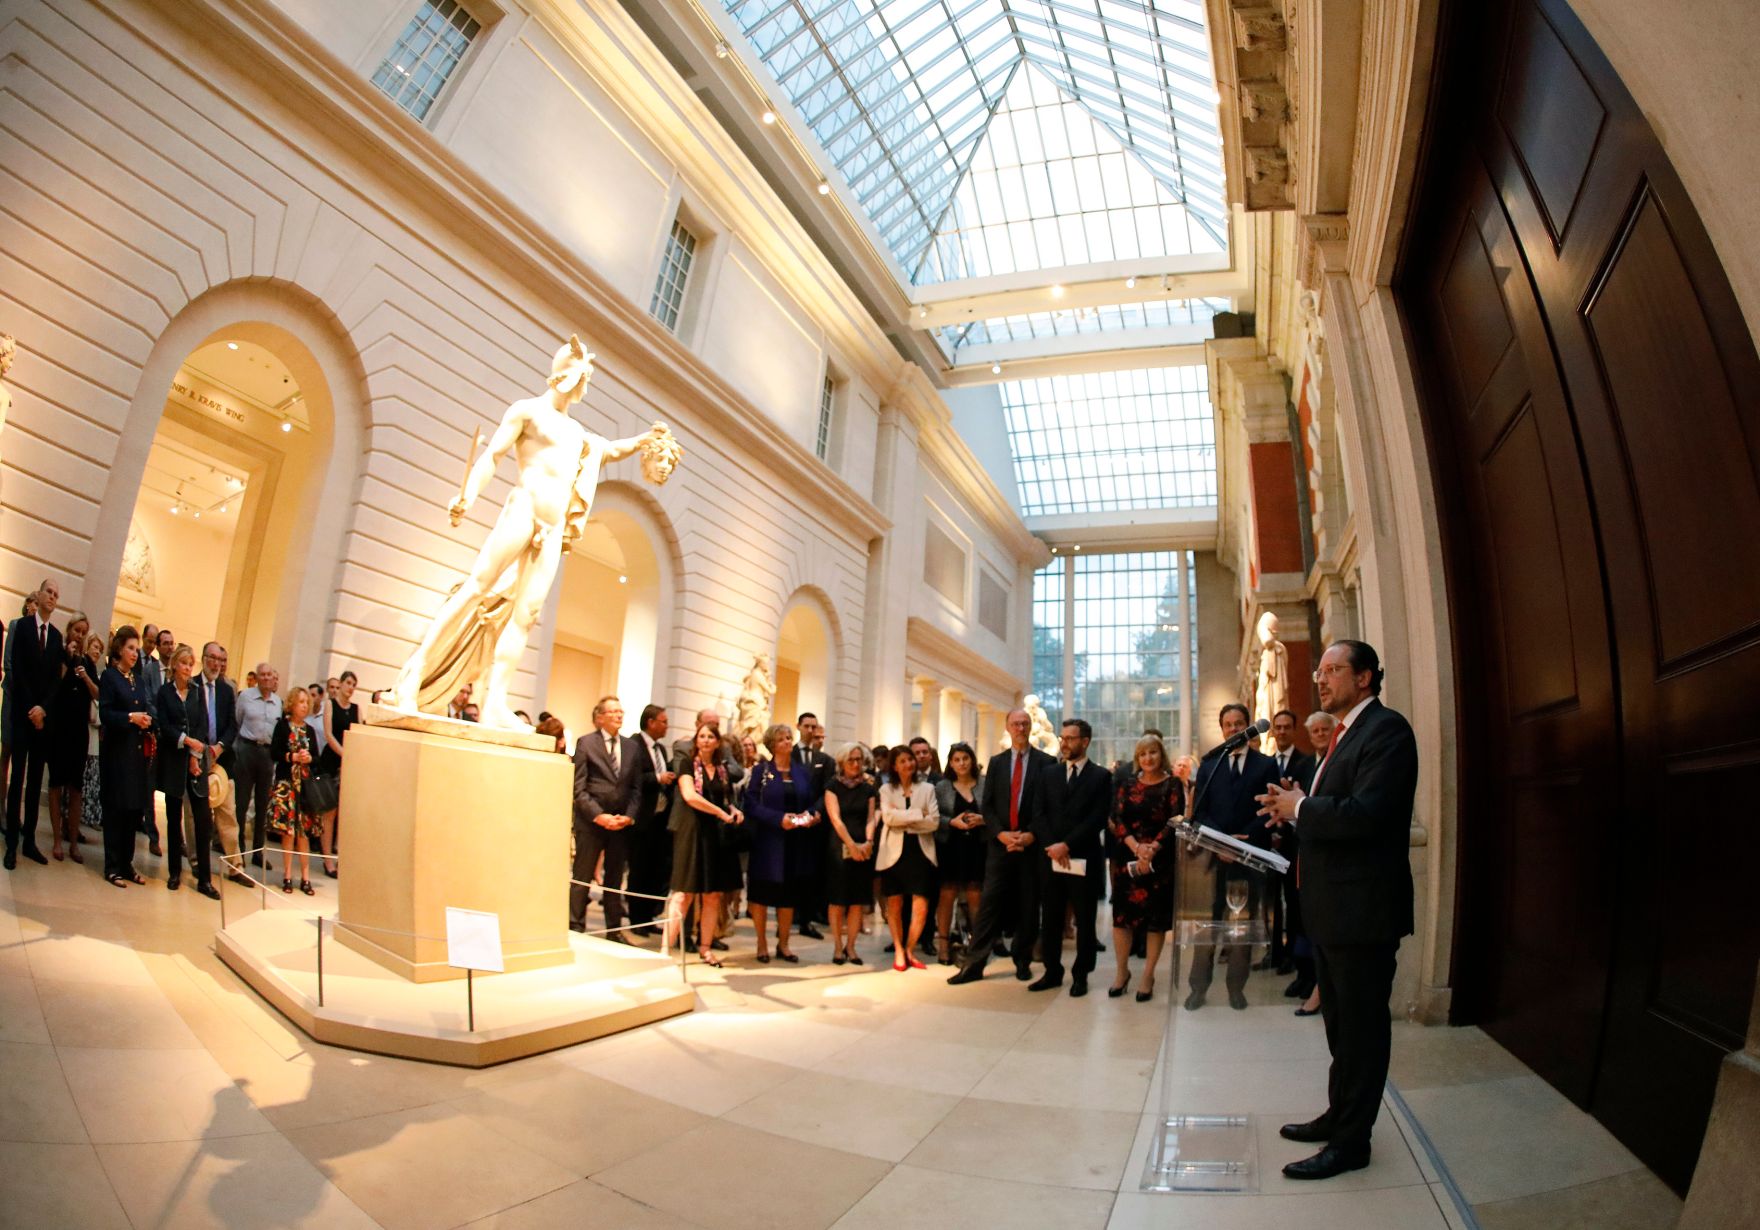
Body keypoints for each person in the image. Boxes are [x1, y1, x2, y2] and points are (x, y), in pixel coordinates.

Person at [1258, 640, 1418, 1181]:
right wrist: (1295, 804)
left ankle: (1352, 1142)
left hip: (1363, 910)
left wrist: (1302, 806)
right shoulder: (1345, 733)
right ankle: (1338, 1115)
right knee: (1340, 1027)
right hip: (1332, 909)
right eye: (1319, 672)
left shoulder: (1387, 731)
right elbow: (1334, 808)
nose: (1321, 680)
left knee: (1362, 1031)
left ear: (1365, 677)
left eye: (1333, 670)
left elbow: (1367, 814)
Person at [947, 709, 1056, 984]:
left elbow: (1048, 806)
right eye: (1015, 724)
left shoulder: (1047, 762)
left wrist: (1030, 835)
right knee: (989, 905)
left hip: (1030, 846)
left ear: (1030, 727)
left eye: (1024, 723)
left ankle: (1022, 960)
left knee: (1028, 907)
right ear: (1008, 728)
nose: (1020, 728)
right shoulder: (997, 763)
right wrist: (1001, 834)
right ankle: (974, 965)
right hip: (1000, 846)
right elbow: (988, 806)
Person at [1185, 703, 1280, 1011]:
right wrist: (1222, 843)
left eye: (1239, 723)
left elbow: (1269, 807)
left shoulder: (1265, 764)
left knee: (1242, 926)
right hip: (1213, 858)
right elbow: (1201, 811)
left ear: (1248, 726)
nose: (1234, 728)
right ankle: (1198, 988)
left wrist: (1241, 844)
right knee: (1208, 925)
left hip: (1250, 855)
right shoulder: (1210, 765)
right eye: (1228, 724)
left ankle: (1236, 988)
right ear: (1222, 728)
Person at [1030, 719, 1113, 997]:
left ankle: (1081, 975)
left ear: (1085, 742)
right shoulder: (1048, 774)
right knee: (1051, 918)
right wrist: (1053, 845)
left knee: (1085, 920)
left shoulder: (1100, 776)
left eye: (1070, 739)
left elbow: (1097, 818)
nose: (1064, 743)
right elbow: (1038, 813)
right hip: (1050, 857)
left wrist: (1066, 844)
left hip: (1083, 857)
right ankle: (1052, 971)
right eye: (1062, 738)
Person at [1107, 734, 1185, 1001]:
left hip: (1159, 861)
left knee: (1155, 922)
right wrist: (1136, 847)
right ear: (1137, 758)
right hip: (1128, 859)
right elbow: (1117, 818)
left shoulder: (1173, 784)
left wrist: (1152, 848)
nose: (1148, 758)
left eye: (1153, 752)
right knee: (1121, 920)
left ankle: (1148, 975)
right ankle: (1122, 972)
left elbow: (1176, 819)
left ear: (1161, 754)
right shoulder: (1127, 783)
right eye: (1142, 754)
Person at [665, 723, 743, 966]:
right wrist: (720, 812)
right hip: (691, 830)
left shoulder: (721, 769)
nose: (706, 740)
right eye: (702, 736)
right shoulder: (687, 763)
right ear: (696, 740)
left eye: (711, 736)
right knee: (683, 894)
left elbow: (725, 799)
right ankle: (665, 951)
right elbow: (690, 796)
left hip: (714, 835)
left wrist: (733, 811)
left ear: (718, 742)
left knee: (712, 895)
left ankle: (705, 948)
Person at [744, 723, 820, 963]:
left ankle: (784, 944)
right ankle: (761, 943)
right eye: (782, 739)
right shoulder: (761, 771)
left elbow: (813, 802)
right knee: (762, 895)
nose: (788, 742)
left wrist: (809, 816)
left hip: (795, 842)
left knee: (788, 895)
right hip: (768, 842)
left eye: (789, 737)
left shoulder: (802, 772)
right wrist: (778, 819)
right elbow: (751, 805)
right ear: (772, 745)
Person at [570, 696, 642, 938]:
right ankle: (575, 926)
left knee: (614, 879)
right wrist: (599, 816)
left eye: (620, 711)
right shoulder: (586, 743)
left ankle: (615, 930)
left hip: (620, 824)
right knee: (582, 876)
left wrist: (628, 817)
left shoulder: (631, 747)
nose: (618, 715)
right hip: (591, 823)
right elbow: (579, 789)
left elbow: (636, 789)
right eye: (612, 712)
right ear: (600, 717)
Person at [155, 644, 220, 898]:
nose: (187, 668)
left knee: (203, 821)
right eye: (184, 663)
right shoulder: (165, 692)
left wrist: (195, 755)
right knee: (174, 819)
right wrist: (185, 740)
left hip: (195, 763)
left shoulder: (196, 692)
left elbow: (202, 725)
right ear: (174, 665)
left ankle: (205, 879)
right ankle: (174, 872)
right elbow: (164, 725)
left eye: (191, 664)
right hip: (173, 761)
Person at [5, 578, 61, 868]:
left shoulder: (56, 637)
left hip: (42, 723)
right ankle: (11, 843)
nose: (52, 597)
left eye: (56, 595)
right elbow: (17, 671)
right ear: (38, 595)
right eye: (48, 592)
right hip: (23, 716)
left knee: (36, 780)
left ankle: (29, 841)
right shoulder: (23, 627)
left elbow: (55, 682)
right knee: (17, 779)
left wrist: (44, 709)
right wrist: (31, 708)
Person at [1261, 709, 1318, 972]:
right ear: (1273, 731)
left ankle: (1294, 955)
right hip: (1269, 844)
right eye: (1278, 727)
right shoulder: (1265, 764)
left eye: (1287, 727)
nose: (1282, 731)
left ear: (1294, 730)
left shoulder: (1306, 763)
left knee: (1294, 901)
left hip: (1294, 844)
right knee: (1270, 901)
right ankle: (1273, 952)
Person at [97, 625, 153, 887]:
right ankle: (112, 866)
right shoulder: (109, 677)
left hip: (136, 754)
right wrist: (131, 718)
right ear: (119, 649)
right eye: (130, 648)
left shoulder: (138, 680)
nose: (134, 653)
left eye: (136, 649)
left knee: (133, 810)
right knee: (115, 809)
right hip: (116, 752)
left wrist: (147, 721)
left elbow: (144, 707)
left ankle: (126, 863)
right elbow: (106, 714)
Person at [876, 745, 940, 971]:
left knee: (921, 906)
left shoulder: (927, 789)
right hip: (894, 852)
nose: (909, 764)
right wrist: (918, 814)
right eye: (902, 761)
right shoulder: (886, 789)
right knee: (894, 904)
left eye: (910, 759)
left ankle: (910, 948)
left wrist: (902, 818)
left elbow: (934, 822)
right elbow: (888, 819)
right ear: (894, 766)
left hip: (920, 852)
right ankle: (898, 949)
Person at [46, 612, 97, 863]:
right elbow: (54, 685)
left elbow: (97, 694)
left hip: (79, 732)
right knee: (56, 784)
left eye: (83, 632)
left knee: (76, 788)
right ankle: (57, 839)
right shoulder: (59, 655)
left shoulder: (88, 663)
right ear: (69, 631)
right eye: (76, 630)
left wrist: (85, 675)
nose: (79, 635)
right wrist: (67, 658)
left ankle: (73, 842)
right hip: (59, 729)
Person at [823, 742, 877, 965]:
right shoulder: (833, 786)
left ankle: (851, 947)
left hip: (863, 847)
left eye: (859, 760)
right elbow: (836, 819)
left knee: (857, 901)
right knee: (838, 900)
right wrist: (851, 845)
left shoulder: (868, 787)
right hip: (839, 847)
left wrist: (868, 842)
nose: (856, 764)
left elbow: (871, 817)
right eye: (851, 760)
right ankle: (838, 946)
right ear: (842, 762)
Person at [933, 742, 986, 965]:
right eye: (957, 759)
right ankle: (944, 945)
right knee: (947, 894)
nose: (962, 763)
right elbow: (934, 817)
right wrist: (951, 822)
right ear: (951, 763)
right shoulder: (942, 787)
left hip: (977, 846)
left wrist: (982, 819)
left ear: (972, 760)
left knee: (975, 894)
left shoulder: (984, 784)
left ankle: (977, 945)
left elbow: (995, 812)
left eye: (965, 758)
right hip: (950, 846)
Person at [628, 703, 676, 936]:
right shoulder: (634, 745)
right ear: (651, 722)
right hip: (641, 819)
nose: (667, 726)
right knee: (639, 870)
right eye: (664, 721)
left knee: (654, 871)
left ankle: (648, 918)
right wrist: (658, 778)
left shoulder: (661, 750)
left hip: (659, 821)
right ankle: (636, 919)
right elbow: (633, 778)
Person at [268, 689, 319, 895]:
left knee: (303, 833)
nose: (304, 705)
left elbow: (317, 756)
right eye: (301, 702)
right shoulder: (282, 726)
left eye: (307, 702)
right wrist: (292, 757)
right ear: (292, 704)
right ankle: (287, 875)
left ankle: (306, 877)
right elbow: (274, 752)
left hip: (304, 787)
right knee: (288, 832)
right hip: (287, 785)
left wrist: (309, 758)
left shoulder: (310, 730)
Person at [792, 713, 834, 940]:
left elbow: (827, 789)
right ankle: (791, 913)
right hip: (791, 822)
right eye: (806, 726)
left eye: (813, 726)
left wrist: (813, 812)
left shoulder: (825, 760)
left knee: (813, 871)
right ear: (798, 726)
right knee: (792, 870)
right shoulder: (788, 754)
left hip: (816, 823)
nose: (810, 730)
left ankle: (808, 916)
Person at [235, 664, 280, 866]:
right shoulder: (246, 696)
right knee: (242, 802)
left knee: (263, 805)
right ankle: (238, 850)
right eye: (262, 674)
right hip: (247, 749)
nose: (266, 678)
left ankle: (258, 852)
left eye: (269, 674)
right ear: (257, 677)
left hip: (267, 754)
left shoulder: (278, 702)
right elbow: (237, 721)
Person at [318, 672, 358, 877]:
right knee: (329, 812)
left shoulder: (356, 709)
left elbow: (357, 735)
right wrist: (344, 754)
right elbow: (328, 734)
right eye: (348, 683)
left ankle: (341, 857)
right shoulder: (330, 704)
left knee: (345, 813)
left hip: (348, 764)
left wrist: (350, 757)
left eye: (354, 684)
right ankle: (327, 861)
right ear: (341, 684)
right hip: (331, 761)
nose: (351, 687)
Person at [80, 632, 105, 836]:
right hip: (82, 730)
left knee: (90, 778)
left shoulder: (95, 673)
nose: (97, 651)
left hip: (94, 734)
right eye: (95, 647)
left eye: (100, 649)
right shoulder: (82, 668)